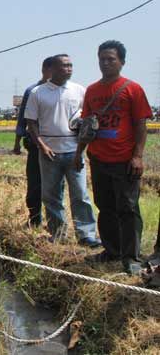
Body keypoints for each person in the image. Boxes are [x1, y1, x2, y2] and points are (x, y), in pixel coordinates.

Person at [74, 41, 152, 275]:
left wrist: (137, 156)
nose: (106, 63)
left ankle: (132, 258)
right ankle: (112, 250)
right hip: (99, 158)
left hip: (124, 160)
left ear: (122, 62)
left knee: (128, 208)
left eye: (111, 59)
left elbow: (141, 125)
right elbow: (87, 126)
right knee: (105, 207)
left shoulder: (133, 89)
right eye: (102, 59)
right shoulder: (92, 91)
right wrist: (79, 153)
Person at [25, 54, 100, 246]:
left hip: (74, 151)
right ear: (52, 69)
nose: (68, 69)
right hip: (49, 152)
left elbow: (89, 118)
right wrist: (42, 145)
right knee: (50, 196)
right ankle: (58, 234)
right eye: (64, 66)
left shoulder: (80, 91)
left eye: (70, 66)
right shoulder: (38, 93)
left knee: (80, 194)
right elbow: (31, 123)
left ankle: (86, 235)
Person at [13, 57, 55, 226]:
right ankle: (34, 218)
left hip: (56, 146)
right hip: (35, 145)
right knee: (35, 183)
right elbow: (23, 119)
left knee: (54, 186)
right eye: (55, 70)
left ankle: (55, 222)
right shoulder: (33, 91)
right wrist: (17, 142)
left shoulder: (62, 91)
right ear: (45, 70)